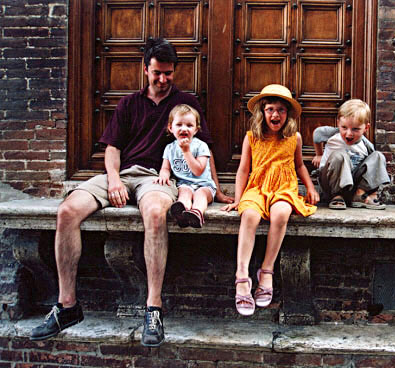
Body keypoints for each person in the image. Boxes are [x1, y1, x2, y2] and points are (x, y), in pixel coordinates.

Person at [30, 37, 232, 347]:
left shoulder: (185, 103)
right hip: (122, 174)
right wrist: (112, 180)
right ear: (145, 70)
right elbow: (113, 148)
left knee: (154, 213)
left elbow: (203, 151)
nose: (163, 80)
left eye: (168, 73)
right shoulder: (128, 103)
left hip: (158, 178)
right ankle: (67, 305)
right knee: (67, 211)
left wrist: (215, 190)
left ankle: (153, 307)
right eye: (156, 73)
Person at [221, 84, 319, 316]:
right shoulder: (252, 137)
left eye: (281, 110)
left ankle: (266, 270)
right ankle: (242, 274)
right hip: (257, 186)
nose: (275, 115)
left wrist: (310, 187)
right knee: (250, 215)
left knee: (281, 213)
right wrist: (238, 197)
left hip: (283, 187)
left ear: (288, 114)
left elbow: (299, 165)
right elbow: (243, 169)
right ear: (262, 112)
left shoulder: (293, 137)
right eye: (270, 109)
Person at [311, 99, 390, 210]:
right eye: (344, 127)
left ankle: (359, 195)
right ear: (338, 123)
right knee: (340, 155)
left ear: (366, 128)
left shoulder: (365, 144)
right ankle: (337, 196)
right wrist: (319, 154)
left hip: (353, 184)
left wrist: (373, 192)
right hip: (331, 182)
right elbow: (317, 134)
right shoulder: (333, 134)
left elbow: (374, 168)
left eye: (355, 129)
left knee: (378, 156)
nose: (349, 134)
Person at [155, 104, 215, 228]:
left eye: (189, 125)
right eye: (179, 125)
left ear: (196, 129)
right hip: (184, 184)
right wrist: (163, 175)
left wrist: (186, 151)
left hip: (205, 185)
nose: (184, 129)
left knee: (200, 194)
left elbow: (198, 171)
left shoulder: (201, 146)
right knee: (184, 193)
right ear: (170, 128)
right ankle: (182, 213)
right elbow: (165, 167)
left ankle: (197, 213)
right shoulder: (169, 148)